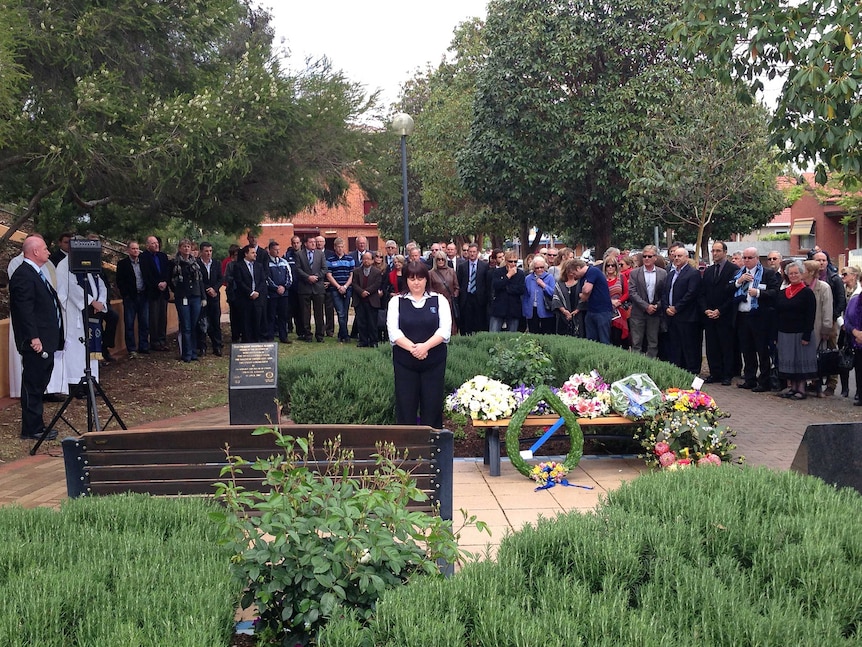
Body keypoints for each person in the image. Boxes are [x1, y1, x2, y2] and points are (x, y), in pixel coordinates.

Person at [9, 236, 64, 440]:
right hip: (36, 342)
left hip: (46, 339)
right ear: (35, 252)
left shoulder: (36, 273)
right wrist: (34, 337)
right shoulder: (24, 275)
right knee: (32, 384)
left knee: (40, 382)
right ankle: (31, 429)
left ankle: (37, 424)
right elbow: (25, 310)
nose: (48, 252)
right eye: (45, 248)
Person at [387, 261, 452, 428]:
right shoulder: (396, 302)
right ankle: (408, 448)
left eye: (420, 278)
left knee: (432, 406)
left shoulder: (440, 300)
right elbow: (394, 332)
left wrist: (425, 347)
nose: (416, 282)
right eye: (412, 278)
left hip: (434, 363)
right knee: (406, 406)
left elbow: (444, 330)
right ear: (406, 280)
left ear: (426, 279)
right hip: (405, 364)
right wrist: (414, 349)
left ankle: (431, 449)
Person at [734, 247, 781, 391]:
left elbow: (775, 292)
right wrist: (738, 282)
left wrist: (759, 293)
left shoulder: (767, 273)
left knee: (761, 350)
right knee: (747, 350)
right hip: (742, 315)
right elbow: (728, 289)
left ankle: (764, 381)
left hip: (759, 316)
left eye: (749, 258)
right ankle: (750, 379)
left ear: (756, 258)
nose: (746, 260)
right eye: (745, 258)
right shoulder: (739, 273)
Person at [774, 261, 817, 400]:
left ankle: (801, 389)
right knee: (789, 361)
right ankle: (792, 388)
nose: (793, 276)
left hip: (801, 333)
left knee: (800, 361)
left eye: (796, 273)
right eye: (790, 273)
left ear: (801, 274)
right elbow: (777, 313)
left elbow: (810, 316)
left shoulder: (807, 293)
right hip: (784, 332)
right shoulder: (782, 293)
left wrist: (807, 335)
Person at [699, 242, 737, 385]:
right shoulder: (708, 271)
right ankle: (715, 373)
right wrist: (705, 309)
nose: (715, 253)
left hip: (725, 315)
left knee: (726, 346)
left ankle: (727, 374)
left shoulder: (733, 269)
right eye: (713, 251)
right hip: (709, 315)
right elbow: (702, 293)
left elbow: (733, 294)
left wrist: (720, 310)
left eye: (718, 251)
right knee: (711, 346)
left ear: (725, 252)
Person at [662, 247, 703, 374]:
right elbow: (664, 292)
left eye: (680, 256)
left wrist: (676, 307)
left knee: (689, 346)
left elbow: (691, 294)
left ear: (686, 258)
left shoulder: (692, 273)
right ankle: (677, 370)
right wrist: (667, 307)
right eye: (675, 256)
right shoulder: (671, 274)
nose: (676, 258)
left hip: (687, 317)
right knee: (675, 346)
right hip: (672, 316)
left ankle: (692, 371)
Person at [801, 259, 833, 397]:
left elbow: (827, 310)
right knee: (805, 358)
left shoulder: (823, 287)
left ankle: (819, 386)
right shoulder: (801, 287)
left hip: (817, 328)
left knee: (817, 358)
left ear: (811, 272)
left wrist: (826, 329)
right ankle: (806, 384)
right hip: (803, 328)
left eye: (804, 270)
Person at [628, 245, 666, 358]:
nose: (647, 259)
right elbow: (632, 292)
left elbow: (665, 293)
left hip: (655, 313)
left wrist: (656, 306)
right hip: (638, 313)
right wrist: (646, 306)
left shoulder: (662, 273)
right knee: (636, 343)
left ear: (655, 258)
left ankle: (651, 367)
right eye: (644, 256)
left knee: (653, 343)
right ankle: (636, 367)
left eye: (650, 256)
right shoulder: (634, 273)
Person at [170, 239, 206, 362]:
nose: (186, 249)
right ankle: (186, 354)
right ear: (180, 248)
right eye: (184, 246)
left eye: (188, 246)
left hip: (195, 296)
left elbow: (200, 281)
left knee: (194, 324)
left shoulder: (195, 262)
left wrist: (203, 297)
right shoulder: (175, 263)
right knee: (186, 326)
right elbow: (173, 281)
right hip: (183, 297)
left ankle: (194, 352)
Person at [115, 240, 150, 358]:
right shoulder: (122, 264)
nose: (136, 251)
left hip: (143, 295)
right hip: (130, 297)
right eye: (133, 249)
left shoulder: (144, 262)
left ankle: (144, 346)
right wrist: (125, 293)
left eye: (137, 249)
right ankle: (131, 349)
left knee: (144, 322)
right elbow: (119, 281)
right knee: (129, 323)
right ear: (128, 250)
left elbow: (147, 276)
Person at [293, 235, 328, 342]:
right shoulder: (299, 254)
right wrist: (308, 277)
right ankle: (307, 334)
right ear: (305, 244)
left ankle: (320, 335)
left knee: (319, 313)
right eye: (311, 242)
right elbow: (298, 269)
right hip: (305, 287)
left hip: (318, 287)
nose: (314, 244)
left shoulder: (320, 254)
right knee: (305, 313)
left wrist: (316, 277)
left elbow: (324, 268)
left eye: (314, 242)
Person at [141, 235, 171, 351]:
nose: (156, 245)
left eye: (157, 243)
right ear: (148, 245)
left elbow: (167, 271)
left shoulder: (162, 256)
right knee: (153, 318)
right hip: (153, 292)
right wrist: (157, 284)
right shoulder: (144, 257)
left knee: (162, 317)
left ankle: (162, 340)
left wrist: (165, 282)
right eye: (153, 243)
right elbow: (146, 275)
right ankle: (154, 342)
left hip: (163, 291)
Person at [573, 258, 613, 344]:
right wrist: (584, 292)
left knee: (604, 340)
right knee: (591, 340)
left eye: (574, 273)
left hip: (602, 311)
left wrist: (584, 292)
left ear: (578, 268)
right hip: (591, 310)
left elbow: (586, 290)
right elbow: (583, 296)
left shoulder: (592, 271)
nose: (574, 276)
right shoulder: (583, 277)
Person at [233, 244, 267, 343]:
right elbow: (239, 282)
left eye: (255, 252)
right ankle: (247, 342)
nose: (255, 254)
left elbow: (262, 280)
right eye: (252, 253)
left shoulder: (259, 266)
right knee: (246, 322)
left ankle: (257, 341)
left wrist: (257, 292)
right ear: (246, 254)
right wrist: (250, 292)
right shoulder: (238, 266)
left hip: (257, 299)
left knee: (257, 321)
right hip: (245, 299)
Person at [196, 241, 224, 355]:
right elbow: (199, 280)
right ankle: (202, 347)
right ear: (201, 252)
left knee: (215, 322)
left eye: (210, 251)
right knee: (202, 322)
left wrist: (215, 289)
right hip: (203, 297)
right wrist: (208, 289)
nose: (209, 253)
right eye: (206, 251)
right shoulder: (197, 264)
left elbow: (221, 278)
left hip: (215, 297)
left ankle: (217, 346)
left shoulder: (216, 263)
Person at [838, 266, 862, 398]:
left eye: (845, 274)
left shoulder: (858, 291)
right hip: (845, 326)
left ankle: (859, 391)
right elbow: (839, 307)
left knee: (858, 362)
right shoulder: (842, 289)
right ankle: (845, 388)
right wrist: (842, 323)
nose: (843, 277)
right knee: (843, 356)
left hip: (856, 329)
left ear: (854, 275)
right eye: (842, 274)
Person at [325, 238, 354, 343]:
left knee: (345, 312)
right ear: (334, 247)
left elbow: (352, 275)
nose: (340, 249)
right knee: (340, 312)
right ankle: (346, 335)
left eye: (342, 247)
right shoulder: (330, 260)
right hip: (335, 289)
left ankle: (341, 334)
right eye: (338, 247)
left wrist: (345, 287)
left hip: (347, 289)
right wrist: (338, 287)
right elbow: (329, 275)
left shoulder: (350, 259)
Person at [457, 243, 490, 334]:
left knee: (479, 323)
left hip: (479, 298)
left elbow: (487, 283)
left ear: (477, 253)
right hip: (467, 298)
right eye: (470, 252)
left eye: (474, 252)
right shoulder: (462, 266)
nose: (472, 254)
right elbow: (459, 282)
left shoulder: (484, 266)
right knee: (467, 323)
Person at [489, 250, 526, 333]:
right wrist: (508, 275)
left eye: (515, 261)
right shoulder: (498, 272)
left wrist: (507, 288)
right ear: (506, 261)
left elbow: (521, 289)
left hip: (513, 309)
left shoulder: (520, 274)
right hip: (499, 308)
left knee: (512, 337)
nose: (513, 264)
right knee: (493, 334)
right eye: (510, 261)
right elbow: (496, 285)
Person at [264, 241, 293, 344]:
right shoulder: (266, 263)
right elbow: (266, 278)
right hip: (272, 295)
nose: (277, 251)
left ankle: (283, 336)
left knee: (283, 316)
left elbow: (289, 277)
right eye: (275, 249)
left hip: (284, 294)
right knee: (271, 316)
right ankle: (270, 336)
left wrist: (284, 287)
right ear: (270, 250)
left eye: (278, 249)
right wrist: (276, 288)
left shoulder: (284, 262)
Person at [352, 252, 383, 347]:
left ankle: (373, 341)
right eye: (364, 259)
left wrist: (367, 291)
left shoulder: (377, 272)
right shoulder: (356, 271)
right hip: (360, 300)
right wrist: (361, 292)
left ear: (372, 260)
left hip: (372, 300)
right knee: (361, 322)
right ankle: (363, 341)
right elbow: (354, 284)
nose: (366, 261)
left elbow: (377, 284)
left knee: (372, 322)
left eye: (368, 259)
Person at [522, 256, 556, 334]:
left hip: (545, 309)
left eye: (542, 267)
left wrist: (544, 285)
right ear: (533, 268)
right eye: (537, 268)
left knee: (546, 333)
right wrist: (526, 311)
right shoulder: (528, 278)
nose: (540, 269)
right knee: (533, 333)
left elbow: (553, 293)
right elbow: (526, 296)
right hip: (532, 310)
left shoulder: (549, 277)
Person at [429, 251, 460, 335]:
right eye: (438, 259)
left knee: (451, 322)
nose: (440, 261)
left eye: (442, 259)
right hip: (437, 302)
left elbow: (456, 287)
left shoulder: (451, 271)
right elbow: (429, 289)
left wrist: (454, 296)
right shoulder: (431, 273)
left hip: (450, 301)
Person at [551, 258, 583, 337]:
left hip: (578, 315)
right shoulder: (560, 284)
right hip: (563, 316)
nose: (571, 272)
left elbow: (583, 299)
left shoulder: (580, 283)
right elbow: (556, 298)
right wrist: (564, 311)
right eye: (569, 270)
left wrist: (576, 311)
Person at [604, 256, 630, 348]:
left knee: (619, 338)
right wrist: (610, 302)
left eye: (613, 265)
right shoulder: (602, 278)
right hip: (605, 311)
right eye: (608, 265)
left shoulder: (621, 277)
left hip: (619, 311)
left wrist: (619, 301)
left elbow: (627, 293)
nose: (610, 267)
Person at [222, 244, 242, 343]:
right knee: (234, 316)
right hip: (232, 293)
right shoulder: (229, 264)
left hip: (242, 293)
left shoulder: (243, 264)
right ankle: (235, 335)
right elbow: (225, 277)